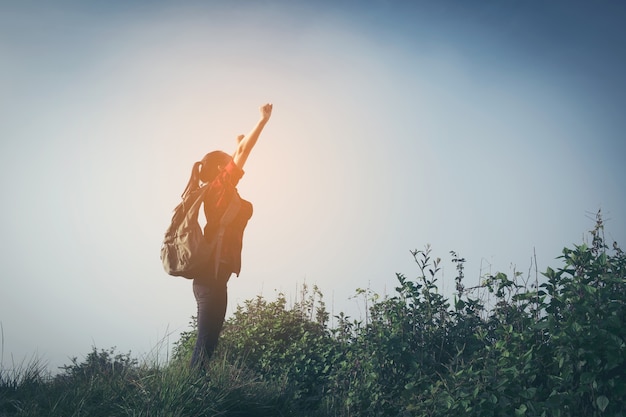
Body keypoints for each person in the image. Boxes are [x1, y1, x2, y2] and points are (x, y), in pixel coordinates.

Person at [182, 103, 273, 369]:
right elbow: (244, 152)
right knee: (204, 344)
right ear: (222, 169)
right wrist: (262, 120)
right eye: (229, 162)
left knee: (209, 344)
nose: (235, 164)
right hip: (209, 278)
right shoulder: (219, 188)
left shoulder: (217, 189)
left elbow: (238, 152)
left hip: (214, 279)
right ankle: (191, 394)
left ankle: (197, 390)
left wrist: (236, 144)